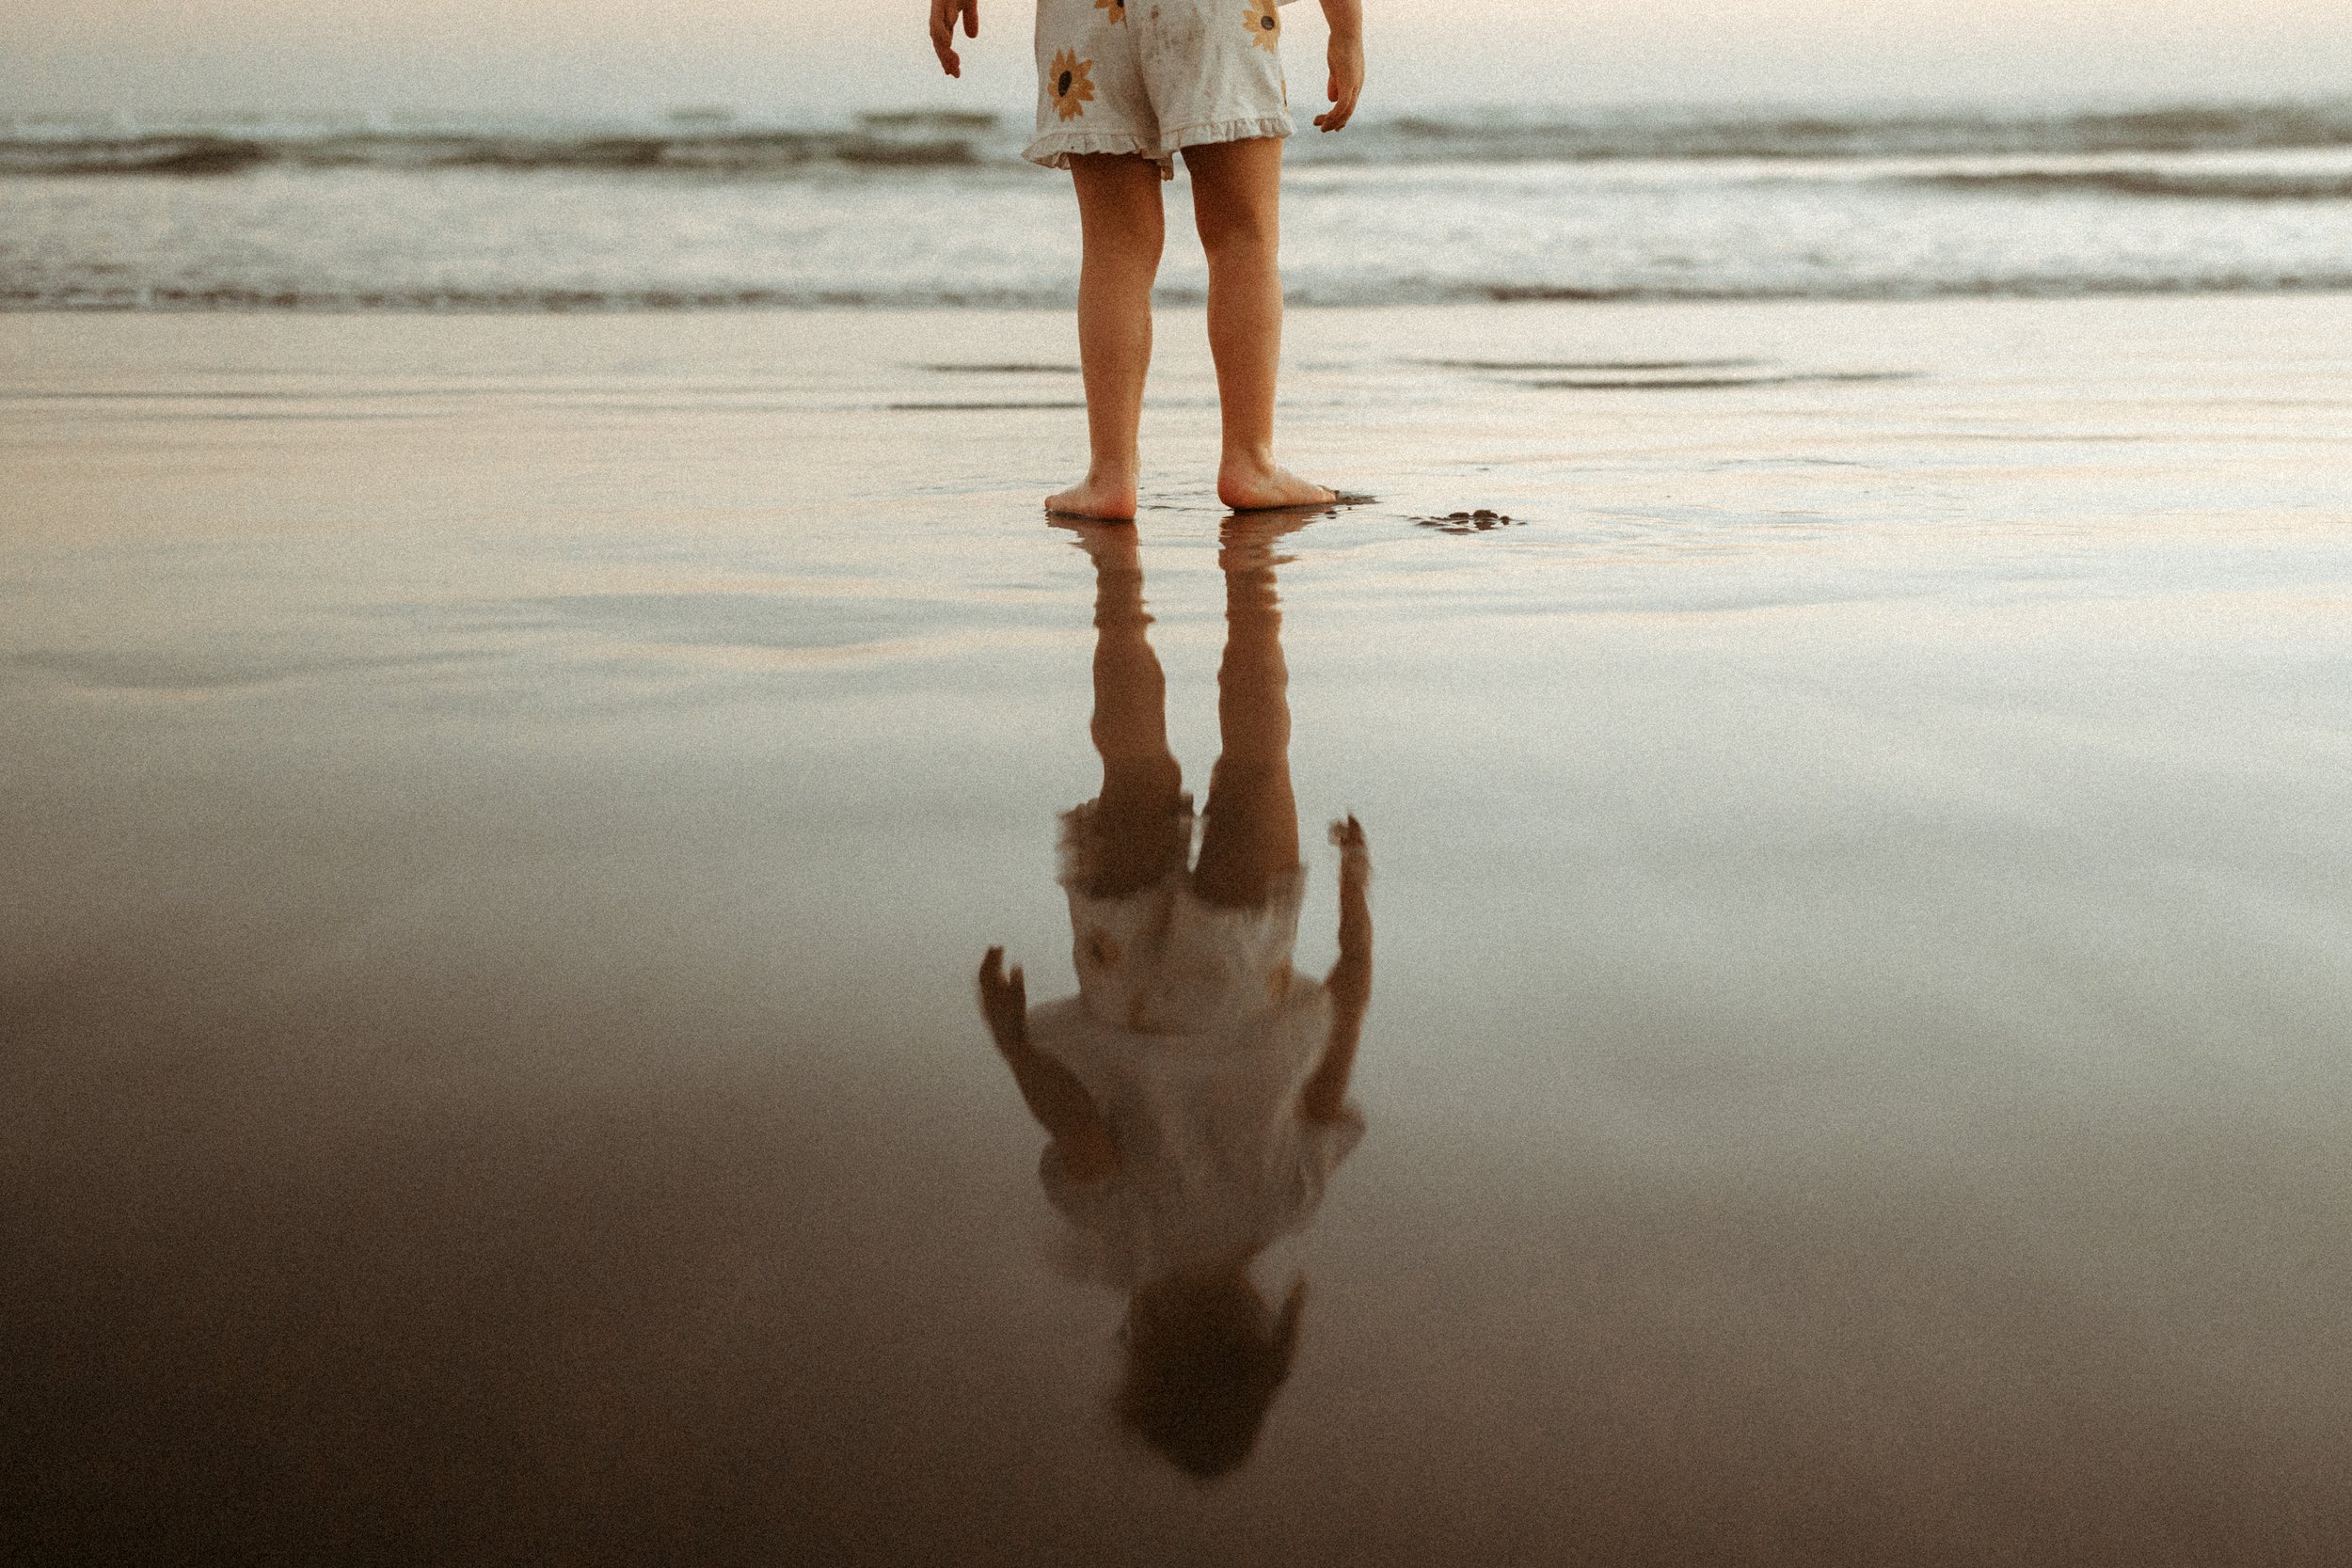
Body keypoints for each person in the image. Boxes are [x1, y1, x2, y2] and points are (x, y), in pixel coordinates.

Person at [978, 514, 1371, 1478]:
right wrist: (1018, 1046)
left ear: (1260, 1336)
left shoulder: (1290, 1199)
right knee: (1134, 761)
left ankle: (1248, 581)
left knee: (1254, 756)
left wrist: (1356, 894)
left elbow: (1344, 1021)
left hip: (1242, 972)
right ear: (1144, 1348)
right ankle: (1118, 589)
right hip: (1126, 987)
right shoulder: (1119, 1236)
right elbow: (1084, 1135)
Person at [928, 0, 1367, 520]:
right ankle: (1250, 461)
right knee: (1241, 238)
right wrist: (1346, 28)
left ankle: (1110, 476)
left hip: (1085, 16)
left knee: (1115, 249)